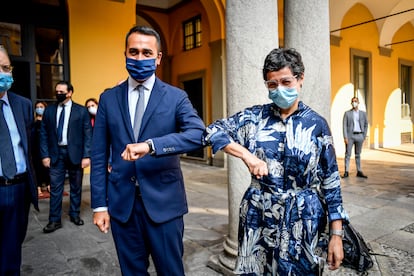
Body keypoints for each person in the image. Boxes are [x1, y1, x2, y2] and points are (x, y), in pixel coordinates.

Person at [202, 48, 349, 275]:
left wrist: (336, 236)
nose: (279, 89)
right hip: (258, 214)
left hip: (303, 219)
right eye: (272, 84)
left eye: (286, 82)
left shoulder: (316, 125)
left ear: (300, 79)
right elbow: (211, 131)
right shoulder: (254, 118)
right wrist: (246, 155)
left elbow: (331, 183)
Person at [90, 25, 205, 275]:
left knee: (171, 271)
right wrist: (99, 205)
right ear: (125, 55)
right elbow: (98, 155)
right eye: (134, 52)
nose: (139, 58)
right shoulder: (109, 98)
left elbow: (198, 135)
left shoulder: (176, 97)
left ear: (158, 57)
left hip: (164, 204)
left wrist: (152, 146)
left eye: (146, 52)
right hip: (123, 206)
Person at [0, 45, 39, 275]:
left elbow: (29, 146)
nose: (2, 73)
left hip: (18, 189)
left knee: (12, 251)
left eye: (5, 68)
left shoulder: (23, 104)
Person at [40, 80, 92, 233]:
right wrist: (45, 155)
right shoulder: (49, 111)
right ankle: (54, 220)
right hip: (56, 154)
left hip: (75, 154)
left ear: (69, 93)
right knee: (56, 188)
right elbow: (43, 134)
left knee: (76, 187)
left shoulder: (81, 111)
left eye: (61, 91)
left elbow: (88, 134)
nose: (58, 94)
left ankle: (75, 214)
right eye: (57, 91)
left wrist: (86, 156)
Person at [342, 97, 368, 178]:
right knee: (348, 154)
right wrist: (345, 137)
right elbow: (344, 126)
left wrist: (364, 135)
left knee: (358, 154)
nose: (354, 103)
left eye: (355, 101)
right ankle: (346, 171)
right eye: (353, 102)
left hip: (360, 135)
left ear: (358, 102)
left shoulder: (363, 113)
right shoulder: (347, 113)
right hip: (350, 136)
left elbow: (366, 124)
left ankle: (359, 171)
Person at [33, 100, 50, 198]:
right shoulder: (33, 122)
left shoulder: (48, 121)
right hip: (35, 149)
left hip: (47, 148)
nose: (39, 109)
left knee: (47, 168)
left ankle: (49, 185)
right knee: (37, 168)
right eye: (37, 107)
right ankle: (38, 187)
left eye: (41, 107)